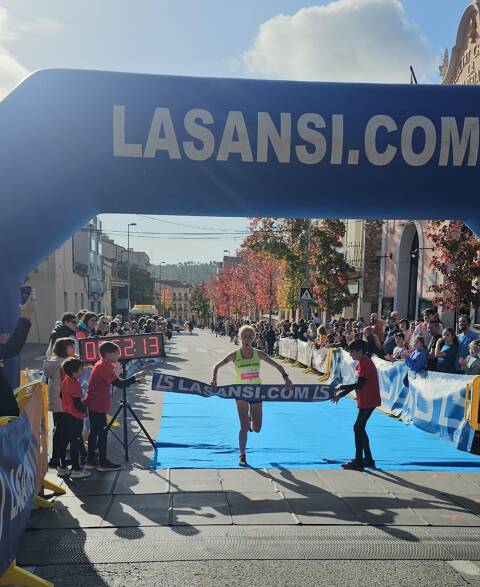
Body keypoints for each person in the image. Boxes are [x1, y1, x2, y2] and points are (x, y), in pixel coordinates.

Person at [210, 324, 293, 467]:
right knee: (243, 426)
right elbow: (216, 365)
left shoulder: (258, 353)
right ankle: (242, 455)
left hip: (256, 392)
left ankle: (250, 418)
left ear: (254, 338)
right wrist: (214, 379)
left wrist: (286, 378)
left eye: (250, 336)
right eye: (244, 336)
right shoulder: (235, 355)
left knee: (257, 428)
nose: (247, 339)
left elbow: (277, 365)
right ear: (240, 337)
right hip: (241, 393)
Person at [84, 341, 145, 471]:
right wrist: (135, 377)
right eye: (117, 352)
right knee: (101, 433)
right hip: (98, 403)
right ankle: (102, 462)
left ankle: (90, 460)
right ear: (108, 354)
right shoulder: (103, 366)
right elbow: (119, 384)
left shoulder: (102, 364)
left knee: (95, 432)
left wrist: (134, 380)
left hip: (96, 402)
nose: (119, 355)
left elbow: (118, 382)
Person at [331, 339, 381, 471]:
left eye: (352, 352)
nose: (350, 355)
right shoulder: (360, 363)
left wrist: (341, 388)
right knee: (360, 428)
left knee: (358, 427)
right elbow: (357, 383)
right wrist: (340, 395)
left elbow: (359, 385)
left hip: (369, 400)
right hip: (364, 399)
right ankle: (368, 459)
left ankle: (359, 461)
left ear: (360, 351)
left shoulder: (366, 364)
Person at [43, 337, 77, 467]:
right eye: (72, 347)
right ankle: (58, 458)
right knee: (64, 431)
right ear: (64, 348)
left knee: (59, 430)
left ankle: (55, 457)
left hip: (56, 401)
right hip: (63, 402)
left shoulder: (54, 361)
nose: (74, 349)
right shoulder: (64, 364)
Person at [57, 357, 90, 479]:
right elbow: (77, 403)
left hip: (66, 414)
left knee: (64, 440)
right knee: (75, 441)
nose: (83, 370)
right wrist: (85, 411)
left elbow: (61, 395)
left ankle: (62, 467)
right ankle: (76, 469)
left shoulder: (65, 380)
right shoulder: (75, 384)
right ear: (74, 372)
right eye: (81, 369)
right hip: (75, 417)